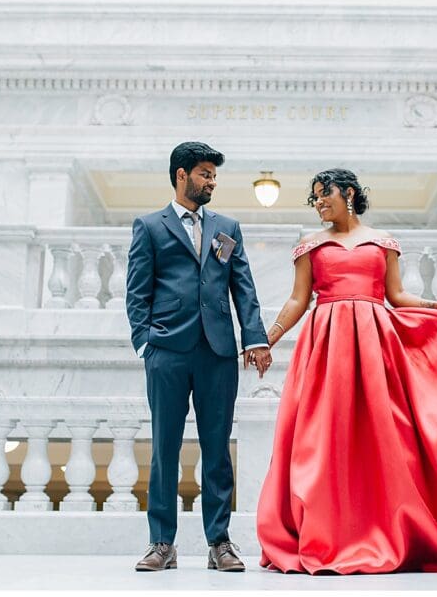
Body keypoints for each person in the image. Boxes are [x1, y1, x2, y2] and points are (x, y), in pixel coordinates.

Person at [255, 168, 437, 574]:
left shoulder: (384, 243)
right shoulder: (310, 245)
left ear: (349, 193)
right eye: (315, 198)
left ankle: (392, 529)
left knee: (387, 435)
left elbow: (396, 296)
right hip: (326, 345)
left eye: (325, 194)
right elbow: (297, 300)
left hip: (376, 343)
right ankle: (326, 532)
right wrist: (266, 339)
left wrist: (436, 307)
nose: (320, 202)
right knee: (322, 438)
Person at [126, 141, 273, 572]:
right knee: (164, 448)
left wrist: (255, 338)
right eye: (205, 174)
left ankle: (219, 542)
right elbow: (137, 291)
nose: (211, 182)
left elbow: (242, 288)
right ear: (181, 175)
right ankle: (161, 543)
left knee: (217, 449)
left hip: (218, 352)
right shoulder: (150, 226)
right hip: (167, 351)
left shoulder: (227, 228)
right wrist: (145, 343)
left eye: (213, 175)